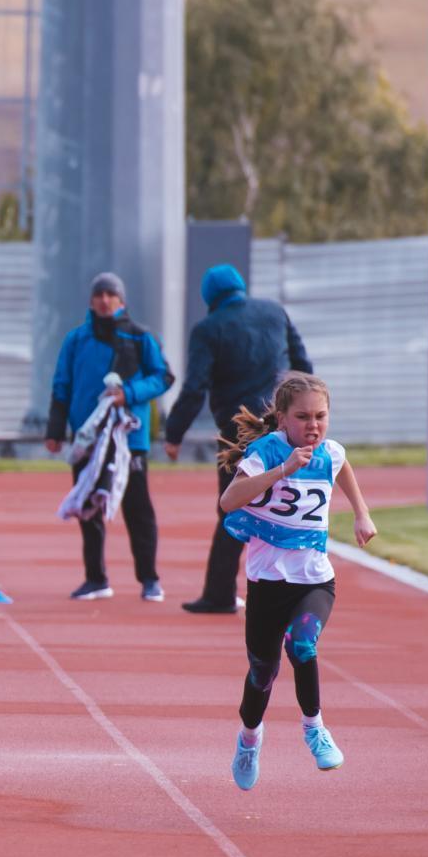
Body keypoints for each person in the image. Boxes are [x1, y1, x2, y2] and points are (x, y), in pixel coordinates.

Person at [216, 372, 374, 791]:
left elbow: (343, 467)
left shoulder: (330, 452)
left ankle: (314, 728)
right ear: (283, 419)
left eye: (321, 416)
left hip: (314, 580)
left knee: (303, 645)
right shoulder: (264, 453)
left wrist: (361, 512)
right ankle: (249, 739)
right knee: (262, 673)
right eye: (303, 417)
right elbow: (228, 501)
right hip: (267, 582)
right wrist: (284, 469)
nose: (313, 425)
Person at [164, 262, 313, 614]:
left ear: (209, 298)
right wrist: (307, 418)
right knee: (288, 506)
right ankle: (300, 589)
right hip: (280, 426)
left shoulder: (208, 328)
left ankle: (219, 593)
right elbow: (304, 365)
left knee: (233, 506)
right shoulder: (275, 312)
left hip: (238, 432)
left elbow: (195, 386)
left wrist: (173, 434)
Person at [43, 272, 173, 602]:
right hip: (87, 439)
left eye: (110, 294)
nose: (104, 300)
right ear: (91, 301)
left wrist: (127, 394)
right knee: (88, 508)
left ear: (121, 300)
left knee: (137, 509)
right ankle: (96, 578)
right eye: (99, 294)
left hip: (129, 441)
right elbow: (62, 385)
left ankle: (149, 579)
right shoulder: (76, 340)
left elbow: (163, 377)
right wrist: (55, 430)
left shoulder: (141, 337)